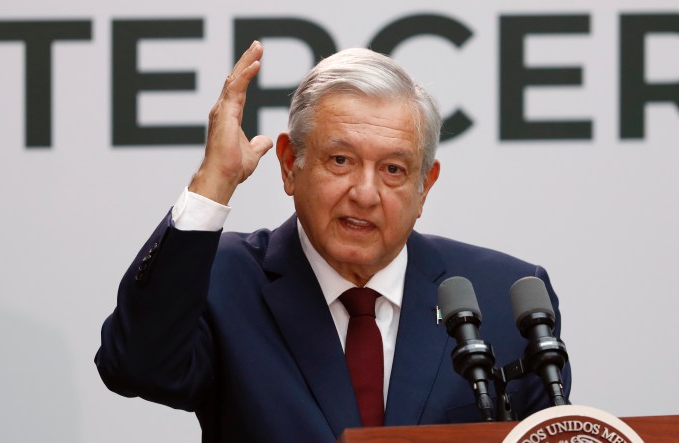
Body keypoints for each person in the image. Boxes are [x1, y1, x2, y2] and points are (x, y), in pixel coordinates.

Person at [96, 41, 571, 442]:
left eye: (393, 169)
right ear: (290, 165)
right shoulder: (223, 279)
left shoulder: (501, 298)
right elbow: (136, 367)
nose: (365, 193)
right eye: (341, 160)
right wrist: (213, 182)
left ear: (424, 187)